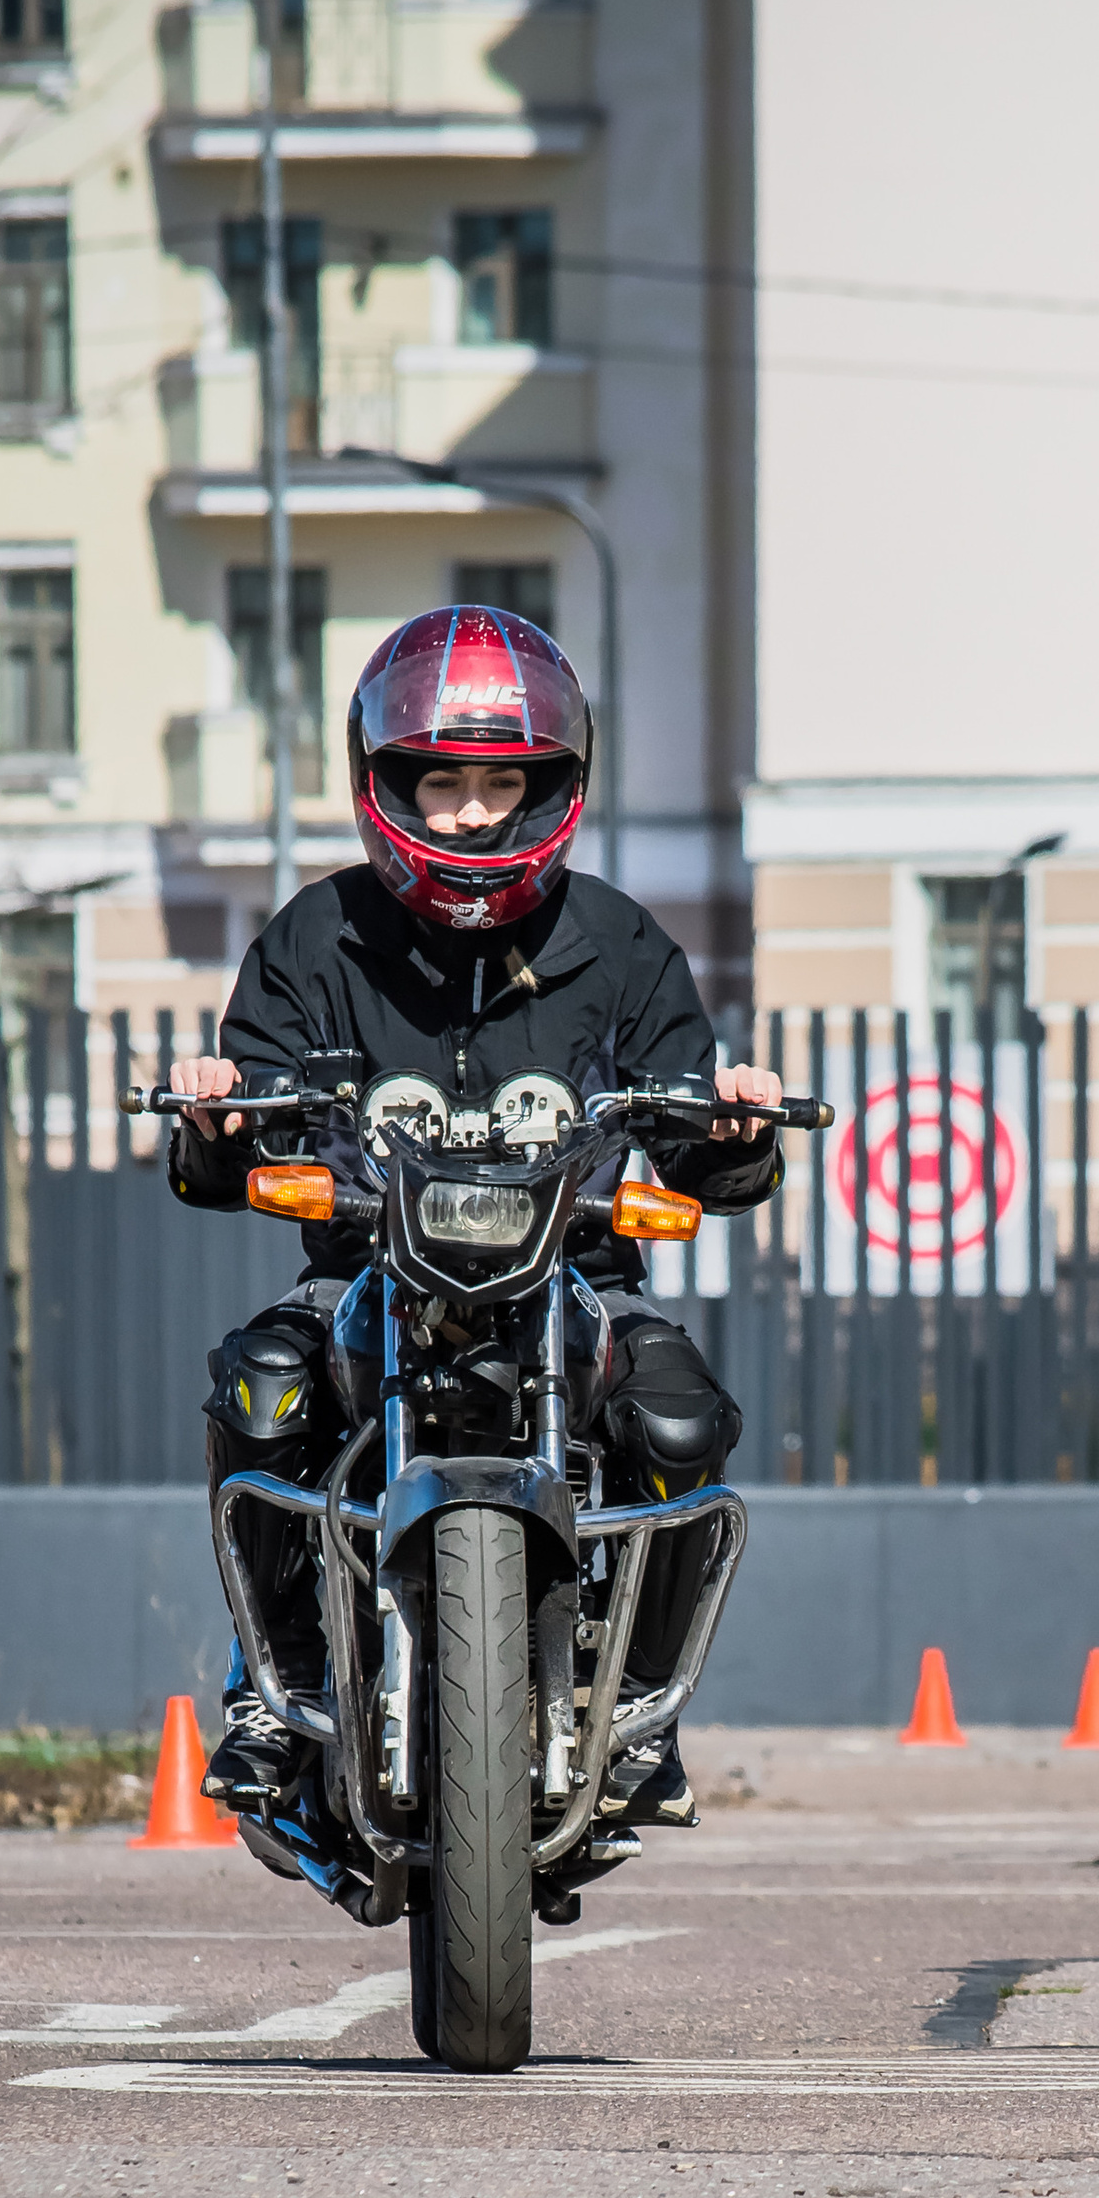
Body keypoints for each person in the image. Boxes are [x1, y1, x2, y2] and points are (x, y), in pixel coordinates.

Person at [164, 599, 780, 1827]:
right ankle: (275, 1688)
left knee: (677, 1418)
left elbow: (696, 1143)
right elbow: (235, 1138)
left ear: (552, 787)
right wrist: (217, 1114)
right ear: (384, 781)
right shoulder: (316, 937)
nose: (470, 813)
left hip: (579, 1277)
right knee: (262, 1391)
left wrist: (732, 1129)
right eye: (441, 783)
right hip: (362, 1273)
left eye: (501, 784)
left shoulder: (622, 944)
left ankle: (640, 1708)